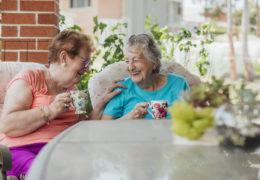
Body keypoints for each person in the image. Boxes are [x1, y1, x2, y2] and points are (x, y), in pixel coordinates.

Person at [0, 30, 124, 180]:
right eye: (85, 62)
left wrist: (102, 103)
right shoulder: (30, 77)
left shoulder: (75, 90)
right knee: (46, 172)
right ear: (64, 57)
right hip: (21, 150)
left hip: (59, 152)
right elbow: (7, 125)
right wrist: (50, 110)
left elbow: (81, 128)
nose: (87, 69)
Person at [101, 33, 189, 120]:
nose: (131, 67)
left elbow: (193, 121)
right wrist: (128, 117)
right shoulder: (121, 88)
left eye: (136, 60)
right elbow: (104, 128)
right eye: (127, 61)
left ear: (154, 63)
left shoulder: (179, 84)